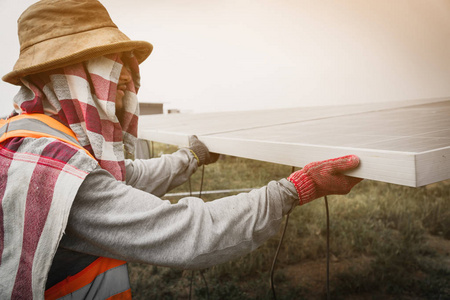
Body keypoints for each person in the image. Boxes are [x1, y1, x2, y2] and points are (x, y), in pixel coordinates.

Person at [0, 0, 362, 299]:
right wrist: (293, 190)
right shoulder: (53, 171)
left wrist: (190, 158)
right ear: (65, 77)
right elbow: (187, 234)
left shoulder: (31, 135)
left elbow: (123, 179)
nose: (126, 77)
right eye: (110, 65)